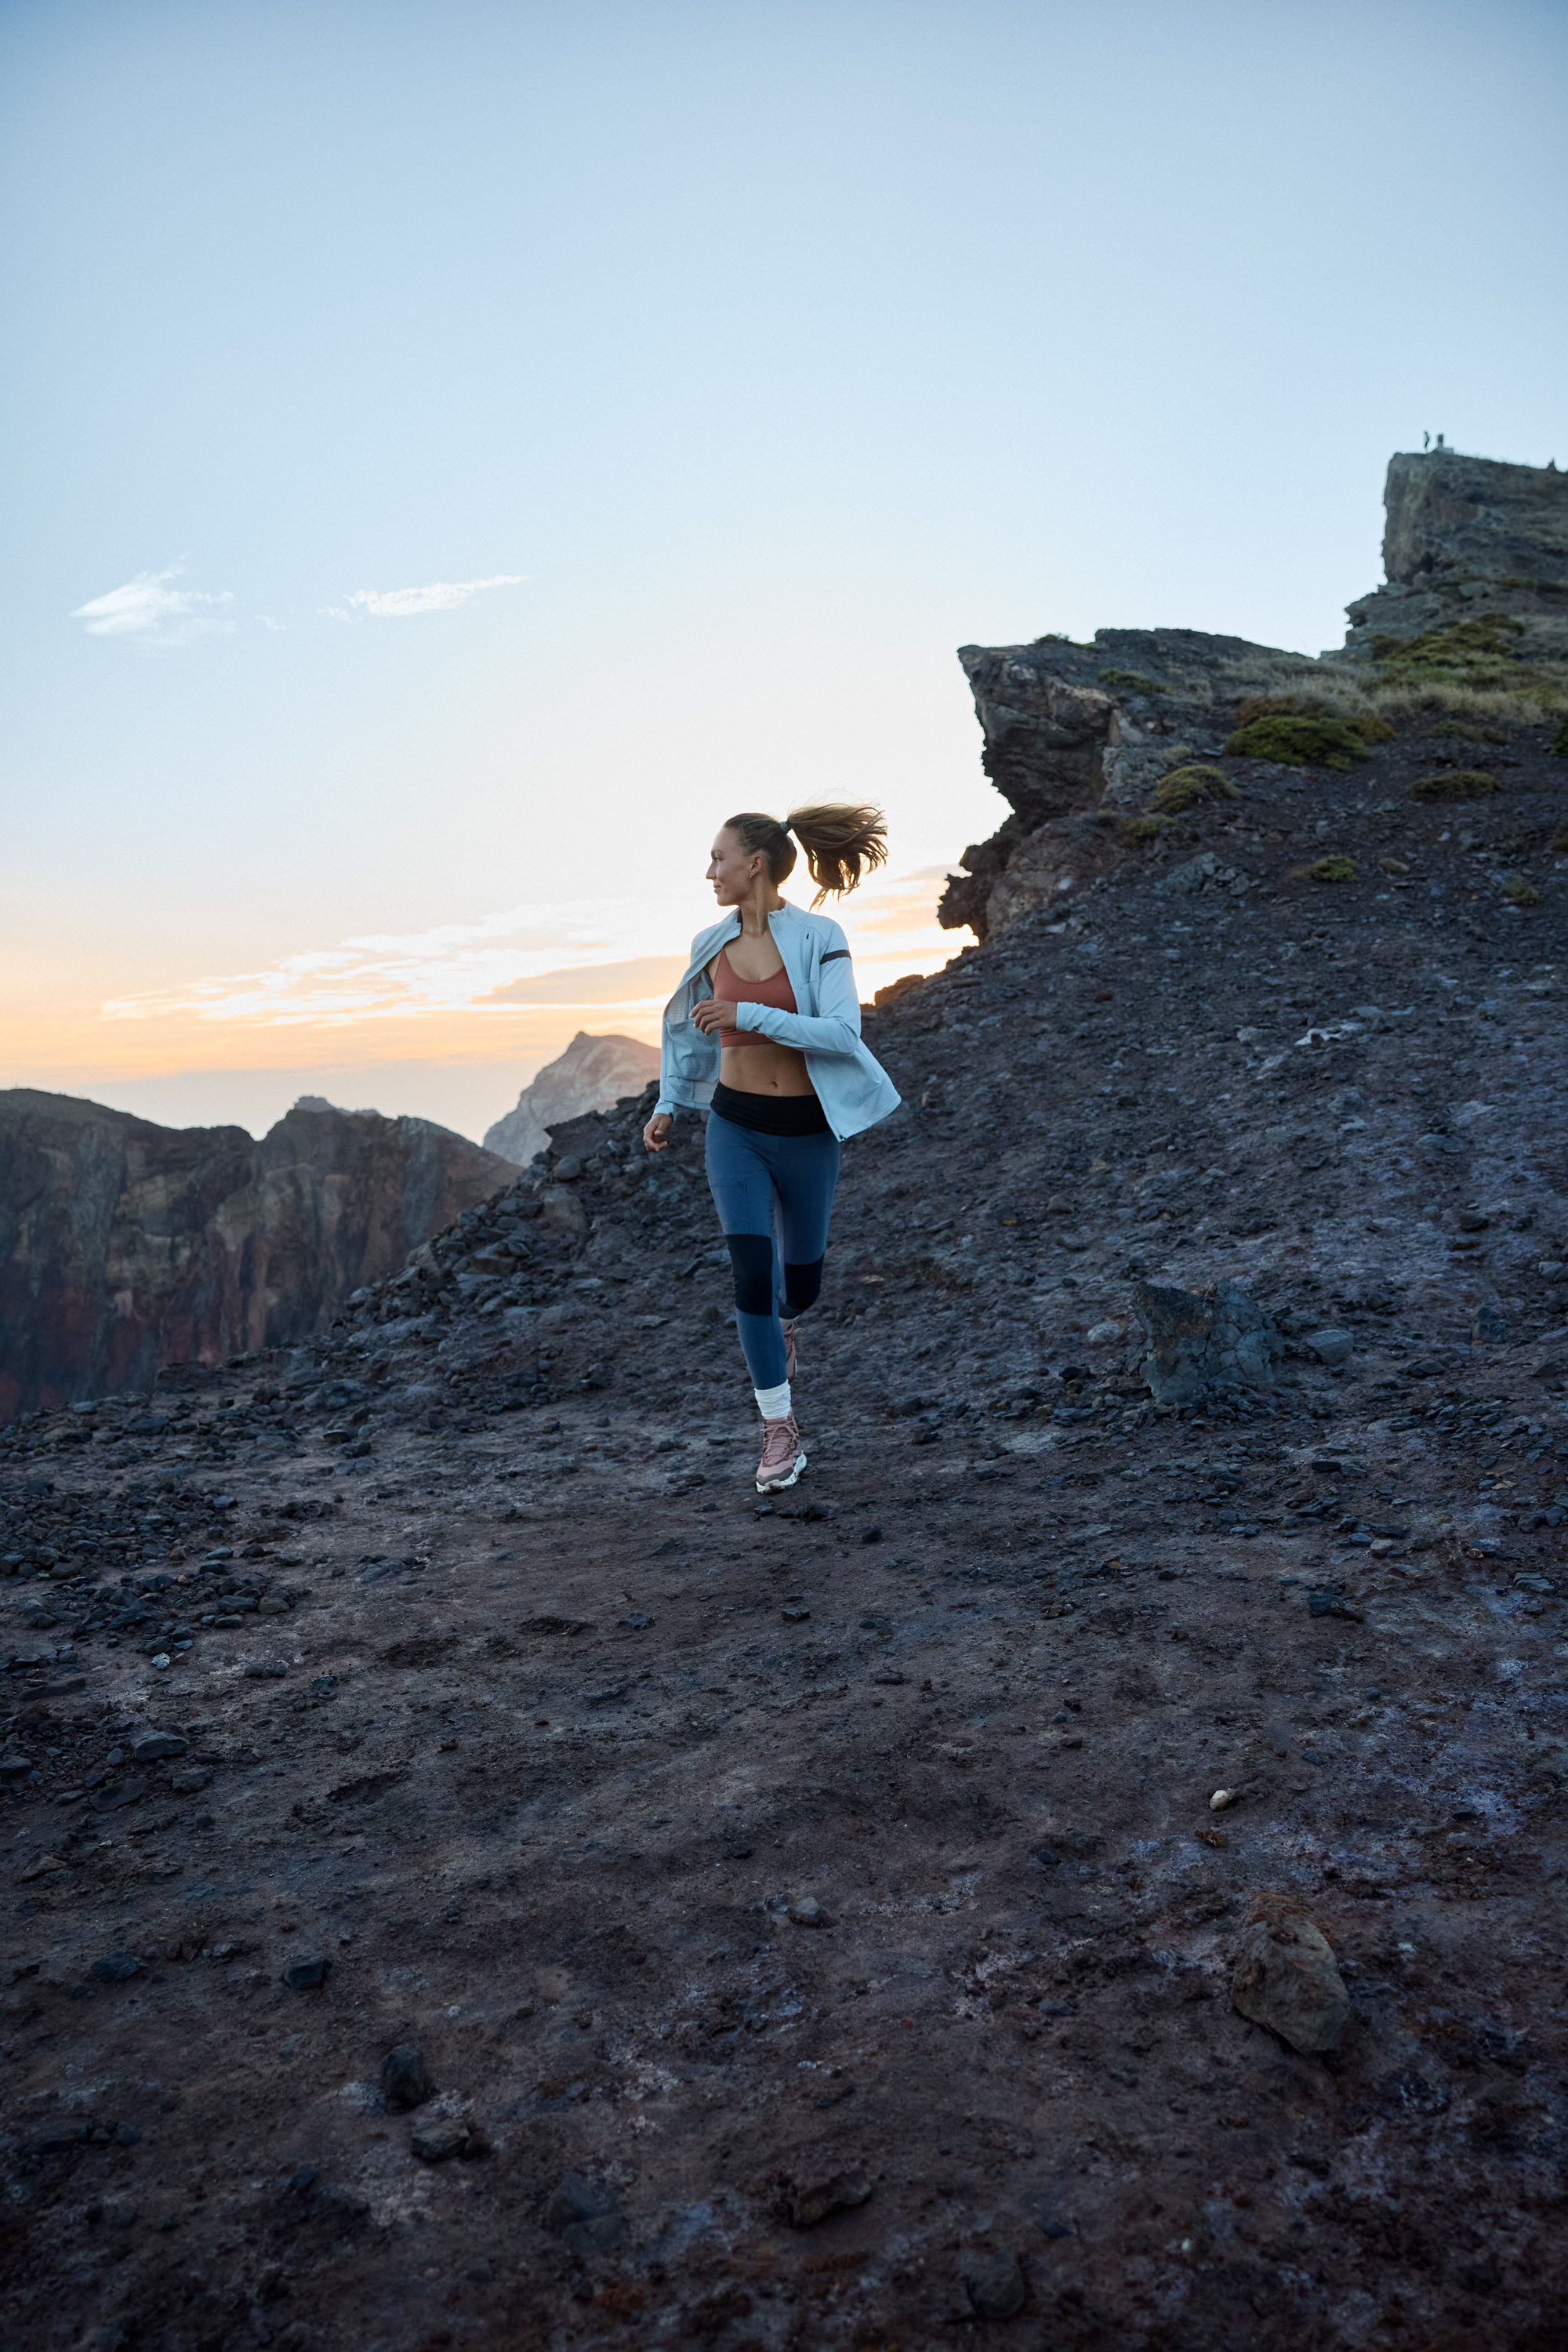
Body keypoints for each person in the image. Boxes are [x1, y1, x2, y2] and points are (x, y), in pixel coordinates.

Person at [644, 805, 901, 1492]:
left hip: (808, 1132)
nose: (710, 872)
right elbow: (684, 1029)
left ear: (754, 864)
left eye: (718, 858)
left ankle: (787, 1326)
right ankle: (779, 1430)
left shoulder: (820, 935)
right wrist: (670, 1102)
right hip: (735, 1127)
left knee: (801, 1286)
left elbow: (843, 1034)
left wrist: (748, 1014)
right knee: (750, 1277)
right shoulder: (708, 941)